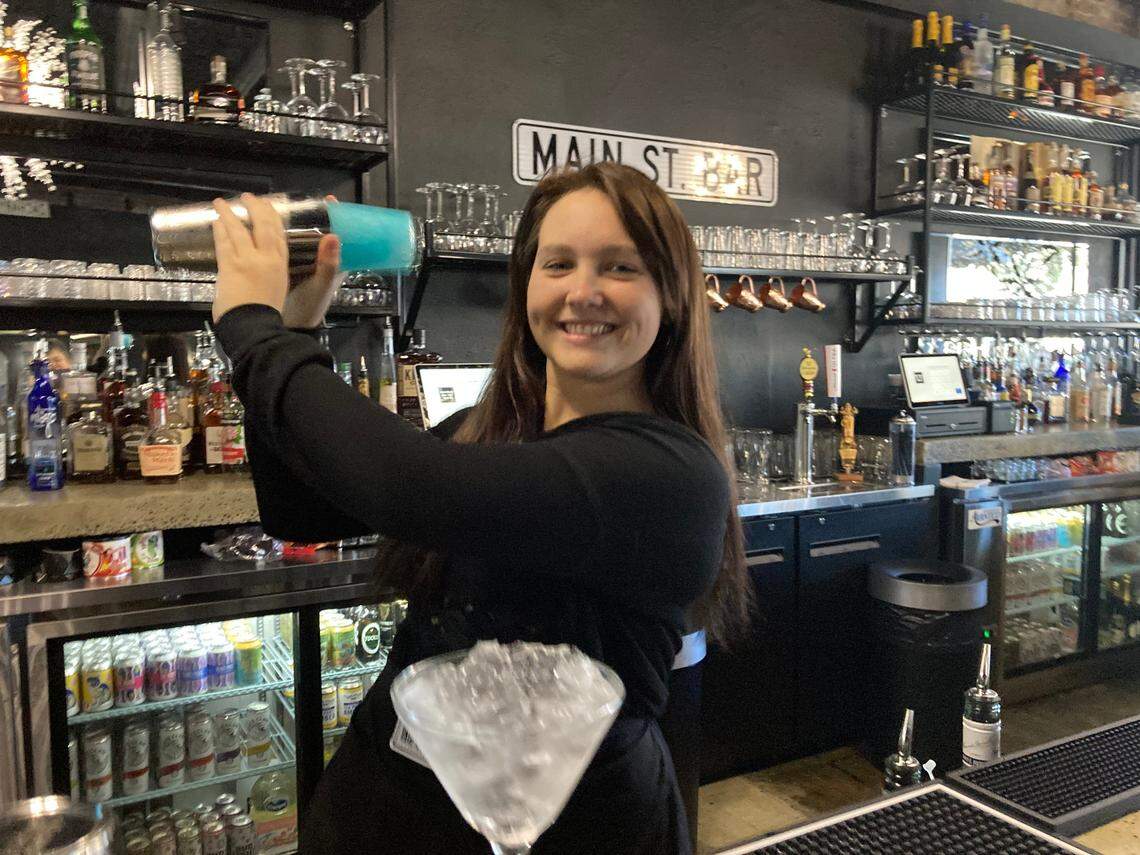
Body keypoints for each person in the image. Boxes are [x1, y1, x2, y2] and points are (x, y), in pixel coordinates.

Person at [210, 163, 749, 855]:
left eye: (620, 267)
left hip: (570, 831)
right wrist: (300, 327)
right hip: (389, 809)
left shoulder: (667, 475)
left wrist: (256, 333)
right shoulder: (483, 428)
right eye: (558, 263)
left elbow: (413, 487)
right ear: (525, 284)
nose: (583, 291)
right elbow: (302, 512)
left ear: (672, 298)